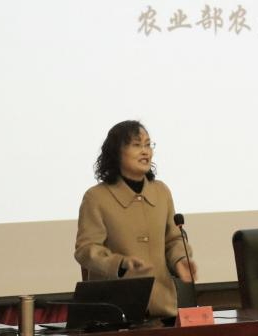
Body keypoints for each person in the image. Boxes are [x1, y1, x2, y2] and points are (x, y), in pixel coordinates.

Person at [74, 120, 196, 318]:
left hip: (161, 305)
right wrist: (120, 264)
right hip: (115, 309)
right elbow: (86, 250)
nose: (145, 151)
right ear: (116, 152)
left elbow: (173, 239)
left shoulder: (161, 192)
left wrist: (180, 259)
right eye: (137, 145)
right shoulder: (96, 197)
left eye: (148, 145)